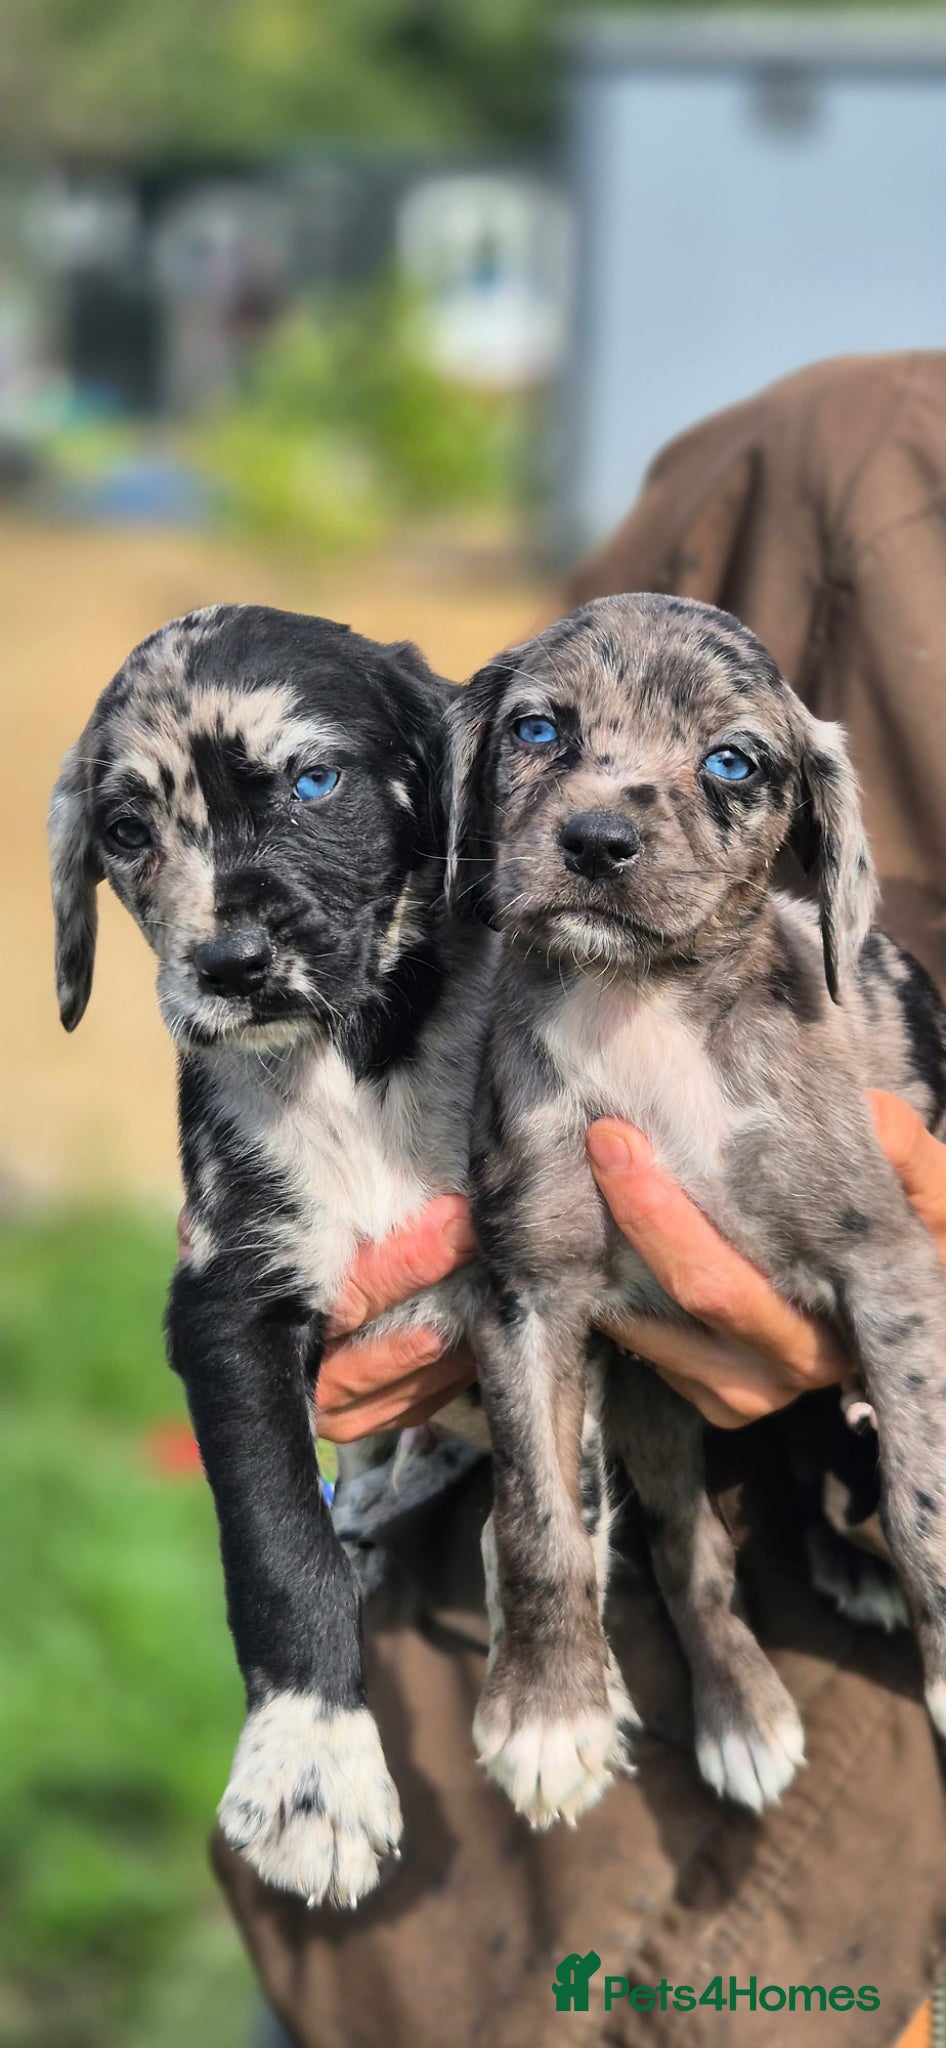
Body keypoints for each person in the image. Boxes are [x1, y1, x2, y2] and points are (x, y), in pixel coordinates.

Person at [212, 354, 946, 2046]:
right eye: (548, 744)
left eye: (725, 780)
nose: (612, 811)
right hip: (612, 1868)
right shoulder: (833, 468)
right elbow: (409, 927)